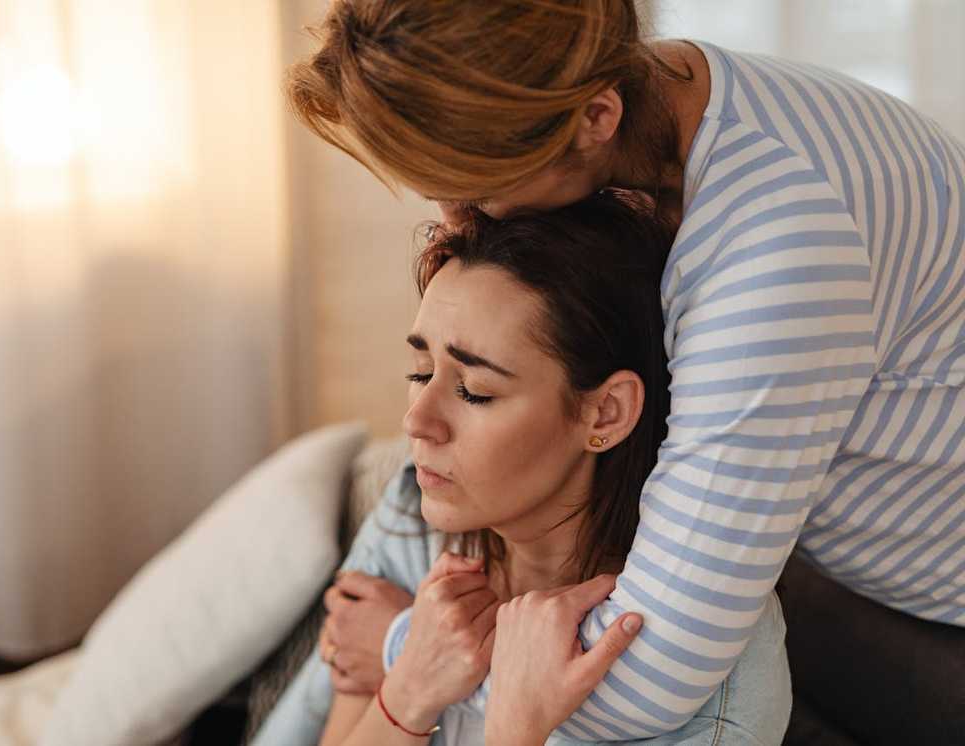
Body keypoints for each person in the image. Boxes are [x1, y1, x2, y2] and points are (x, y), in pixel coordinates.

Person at [287, 0, 965, 739]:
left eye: (479, 187)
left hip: (933, 603)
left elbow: (651, 674)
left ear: (595, 118)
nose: (456, 220)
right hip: (821, 534)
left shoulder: (778, 249)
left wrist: (404, 652)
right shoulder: (631, 89)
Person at [252, 192, 790, 745]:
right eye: (420, 372)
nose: (417, 421)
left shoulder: (703, 671)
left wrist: (515, 724)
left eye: (474, 391)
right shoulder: (416, 522)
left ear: (605, 412)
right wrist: (409, 685)